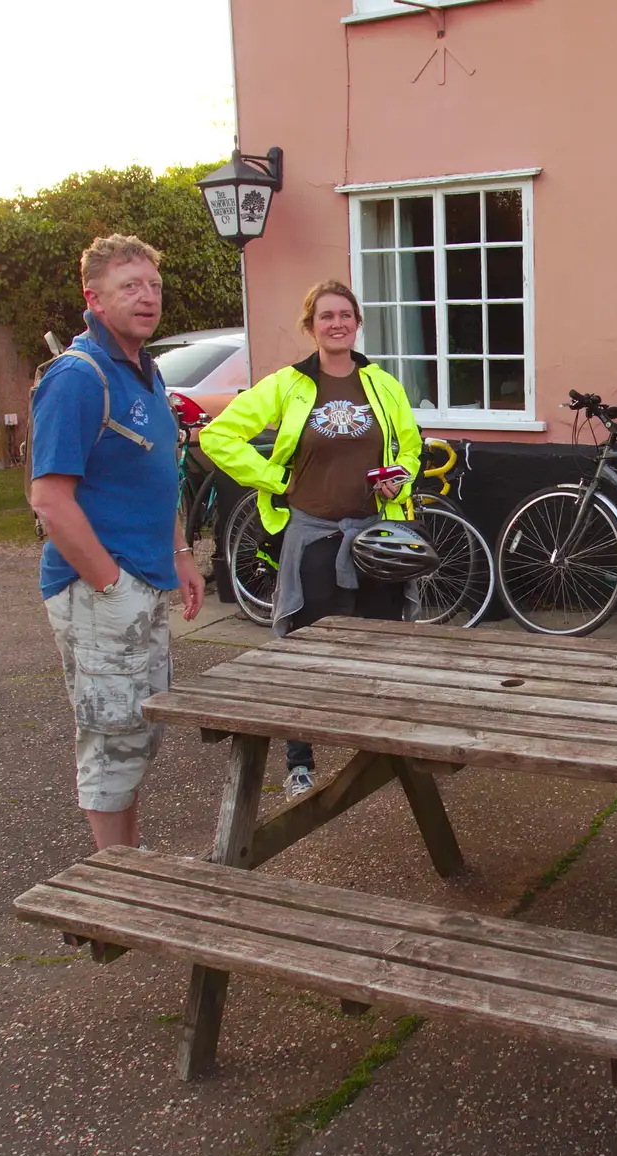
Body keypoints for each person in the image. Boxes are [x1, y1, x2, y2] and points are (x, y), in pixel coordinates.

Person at [200, 279, 422, 793]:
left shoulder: (384, 385)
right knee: (305, 647)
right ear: (311, 326)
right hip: (313, 535)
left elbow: (408, 449)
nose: (337, 323)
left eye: (346, 314)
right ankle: (300, 759)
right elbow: (218, 435)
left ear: (358, 322)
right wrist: (277, 480)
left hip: (375, 536)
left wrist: (401, 476)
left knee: (381, 643)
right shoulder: (288, 385)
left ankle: (381, 746)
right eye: (326, 316)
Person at [29, 233, 206, 851]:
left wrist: (180, 554)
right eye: (130, 286)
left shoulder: (144, 371)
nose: (148, 296)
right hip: (100, 588)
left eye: (153, 285)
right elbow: (49, 499)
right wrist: (109, 585)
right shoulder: (77, 378)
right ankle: (114, 878)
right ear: (94, 299)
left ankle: (127, 860)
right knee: (109, 733)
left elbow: (160, 476)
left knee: (137, 727)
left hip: (147, 576)